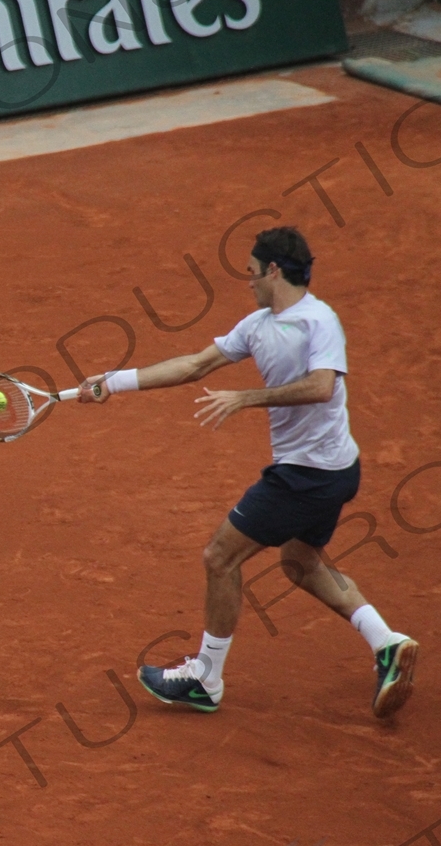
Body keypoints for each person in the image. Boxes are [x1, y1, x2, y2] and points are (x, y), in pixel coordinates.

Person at [78, 226, 418, 718]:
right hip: (335, 471)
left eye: (253, 273)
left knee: (220, 557)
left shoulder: (318, 321)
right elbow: (194, 365)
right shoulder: (258, 324)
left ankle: (205, 678)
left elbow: (322, 386)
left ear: (274, 271)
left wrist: (247, 397)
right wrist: (114, 382)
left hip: (307, 475)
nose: (249, 282)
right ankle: (387, 642)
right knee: (301, 563)